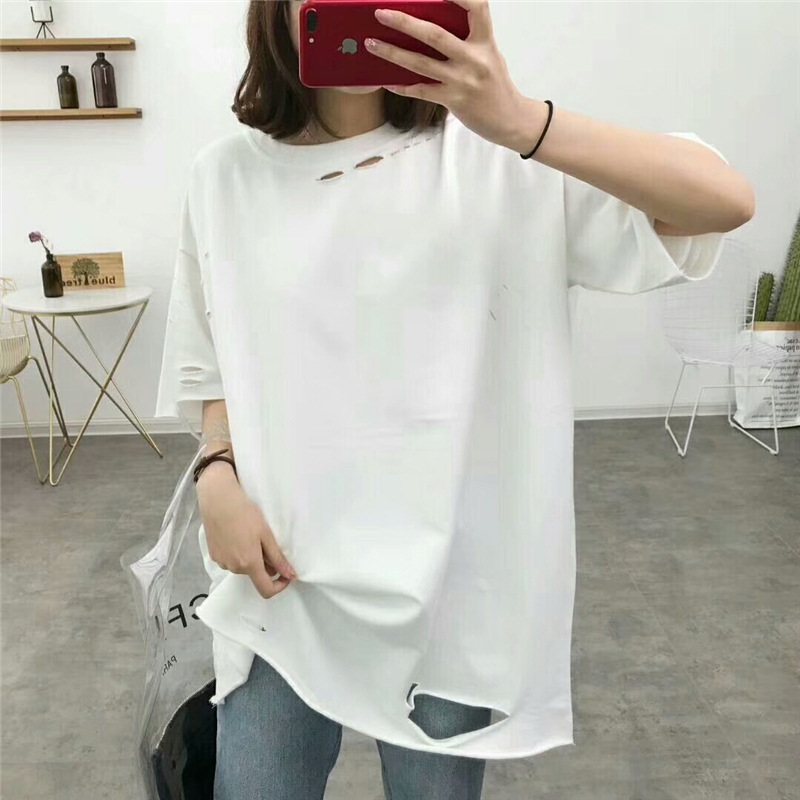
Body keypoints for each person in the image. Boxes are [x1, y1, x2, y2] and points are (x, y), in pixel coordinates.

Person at [154, 1, 755, 798]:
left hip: (451, 591)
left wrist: (519, 120)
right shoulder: (225, 177)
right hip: (280, 578)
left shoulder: (503, 163)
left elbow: (723, 200)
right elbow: (213, 360)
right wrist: (216, 473)